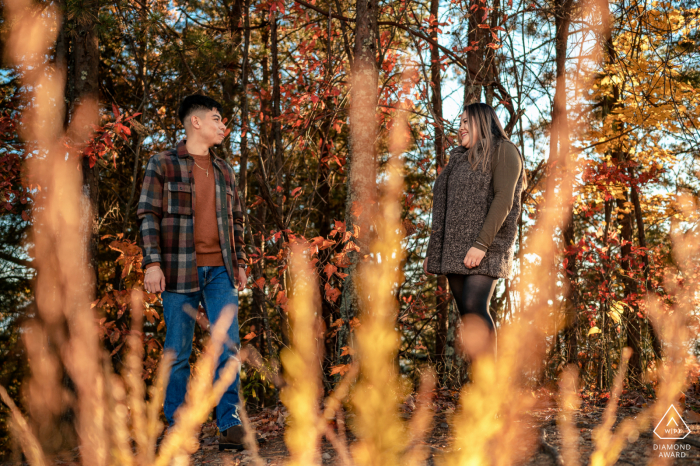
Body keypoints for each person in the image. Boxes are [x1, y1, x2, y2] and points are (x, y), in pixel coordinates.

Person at [137, 94, 249, 450]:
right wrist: (152, 263)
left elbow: (238, 220)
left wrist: (241, 262)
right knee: (178, 351)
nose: (223, 125)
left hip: (221, 272)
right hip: (177, 270)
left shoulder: (224, 170)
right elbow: (147, 215)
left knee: (227, 346)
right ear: (196, 122)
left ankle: (230, 423)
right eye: (217, 118)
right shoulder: (162, 163)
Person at [424, 102, 526, 362]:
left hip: (487, 244)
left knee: (474, 305)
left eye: (466, 122)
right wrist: (432, 251)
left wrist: (481, 245)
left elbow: (504, 200)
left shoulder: (504, 150)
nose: (460, 128)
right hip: (455, 248)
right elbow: (444, 207)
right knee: (468, 317)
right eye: (459, 123)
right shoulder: (457, 159)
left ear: (482, 121)